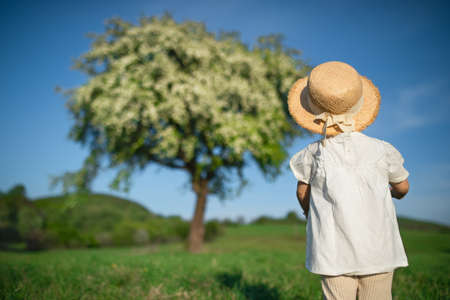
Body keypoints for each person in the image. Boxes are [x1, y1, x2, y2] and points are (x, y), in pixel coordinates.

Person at [287, 61, 410, 300]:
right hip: (379, 248)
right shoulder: (382, 150)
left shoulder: (312, 153)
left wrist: (308, 212)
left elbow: (302, 193)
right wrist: (393, 193)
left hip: (333, 251)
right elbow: (402, 186)